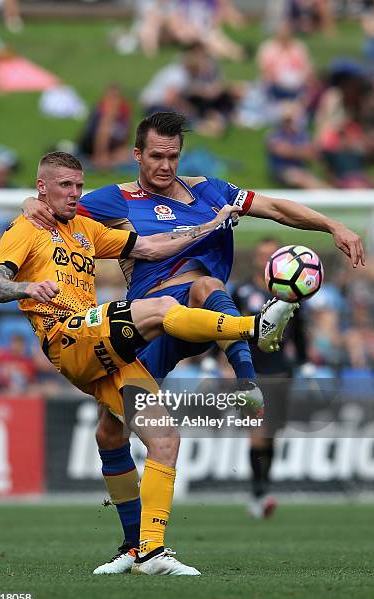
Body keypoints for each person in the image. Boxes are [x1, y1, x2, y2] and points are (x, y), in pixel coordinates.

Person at [24, 112, 364, 574]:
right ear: (137, 155)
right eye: (156, 156)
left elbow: (278, 209)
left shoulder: (211, 192)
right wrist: (30, 201)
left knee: (202, 283)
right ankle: (133, 546)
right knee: (110, 430)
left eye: (173, 156)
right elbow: (58, 206)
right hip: (143, 330)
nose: (165, 166)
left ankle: (247, 382)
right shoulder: (116, 199)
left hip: (198, 316)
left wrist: (332, 226)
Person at [0, 151, 297, 577]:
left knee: (165, 438)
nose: (75, 194)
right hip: (67, 335)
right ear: (42, 188)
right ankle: (252, 328)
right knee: (160, 306)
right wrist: (25, 288)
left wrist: (210, 224)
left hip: (100, 353)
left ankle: (146, 551)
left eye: (79, 186)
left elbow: (150, 246)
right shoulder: (27, 228)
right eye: (65, 186)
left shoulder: (85, 230)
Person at [233, 237, 307, 519]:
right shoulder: (242, 291)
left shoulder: (291, 292)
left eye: (270, 255)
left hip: (280, 373)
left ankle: (263, 489)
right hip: (250, 372)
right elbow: (229, 330)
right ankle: (258, 492)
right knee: (256, 433)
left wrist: (303, 362)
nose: (265, 259)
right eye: (262, 254)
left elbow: (300, 330)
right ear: (256, 259)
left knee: (271, 435)